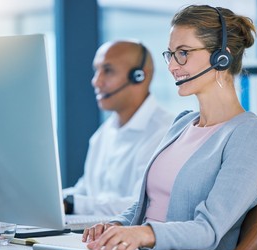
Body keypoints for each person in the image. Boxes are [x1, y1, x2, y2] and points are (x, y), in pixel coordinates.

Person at [82, 5, 257, 250]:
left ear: (221, 57)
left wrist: (143, 234)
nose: (172, 66)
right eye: (171, 54)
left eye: (183, 53)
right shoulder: (182, 124)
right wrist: (116, 225)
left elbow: (209, 229)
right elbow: (148, 204)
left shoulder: (251, 135)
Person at [63, 40, 175, 216]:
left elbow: (142, 205)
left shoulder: (165, 133)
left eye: (107, 71)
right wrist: (56, 200)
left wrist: (71, 204)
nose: (96, 81)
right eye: (96, 70)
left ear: (139, 76)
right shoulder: (103, 134)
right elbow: (85, 190)